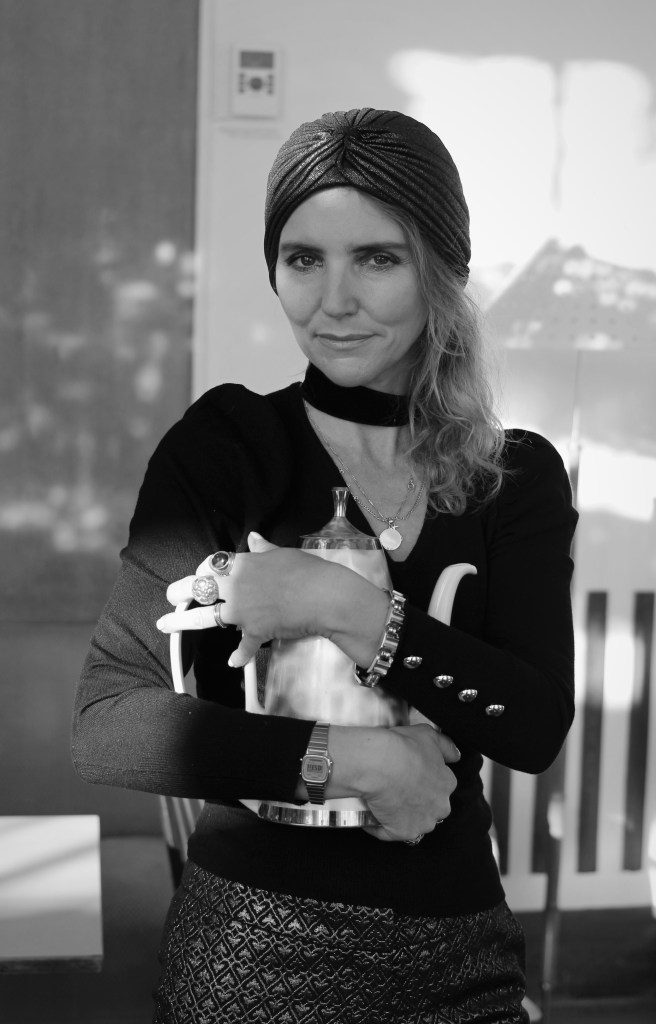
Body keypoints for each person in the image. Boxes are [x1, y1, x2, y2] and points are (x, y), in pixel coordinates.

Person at [72, 107, 578, 1023]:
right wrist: (350, 760)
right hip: (253, 946)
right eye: (303, 259)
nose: (332, 300)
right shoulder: (227, 447)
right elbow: (109, 724)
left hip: (460, 945)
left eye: (376, 259)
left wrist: (343, 606)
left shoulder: (513, 477)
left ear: (441, 270)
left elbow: (533, 727)